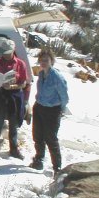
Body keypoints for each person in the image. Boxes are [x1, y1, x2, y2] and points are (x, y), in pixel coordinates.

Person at [29, 48, 69, 176]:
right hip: (39, 107)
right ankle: (38, 160)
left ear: (52, 61)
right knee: (38, 136)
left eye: (46, 60)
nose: (43, 63)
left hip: (52, 110)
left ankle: (57, 168)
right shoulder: (41, 74)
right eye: (41, 60)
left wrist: (61, 109)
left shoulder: (56, 77)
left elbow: (64, 96)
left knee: (51, 138)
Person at [0, 38, 28, 159]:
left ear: (13, 50)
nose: (5, 55)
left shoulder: (20, 64)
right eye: (3, 53)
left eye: (7, 53)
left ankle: (14, 149)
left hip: (14, 97)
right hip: (0, 95)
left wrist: (12, 86)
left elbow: (23, 83)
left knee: (13, 124)